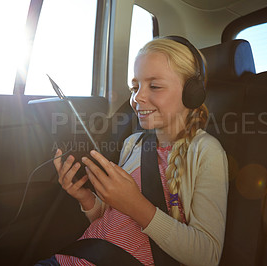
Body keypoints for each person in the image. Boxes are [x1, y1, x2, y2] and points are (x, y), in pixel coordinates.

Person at [37, 36, 228, 266]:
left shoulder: (205, 151)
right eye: (134, 87)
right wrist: (87, 199)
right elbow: (113, 220)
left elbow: (207, 256)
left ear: (192, 92)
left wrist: (137, 205)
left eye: (154, 86)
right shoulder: (133, 143)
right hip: (70, 258)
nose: (137, 98)